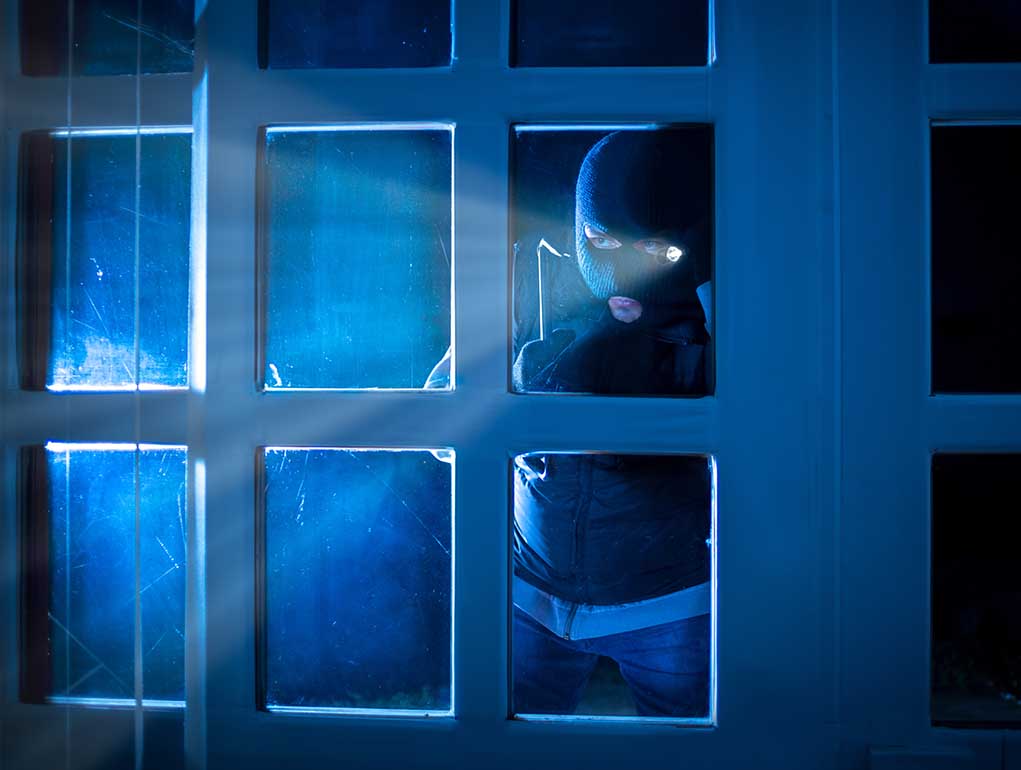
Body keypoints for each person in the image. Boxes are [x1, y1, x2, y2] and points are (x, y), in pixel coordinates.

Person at [510, 129, 713, 716]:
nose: (624, 268)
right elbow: (445, 405)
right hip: (530, 596)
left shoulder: (723, 315)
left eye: (654, 251)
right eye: (600, 240)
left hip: (671, 603)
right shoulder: (535, 290)